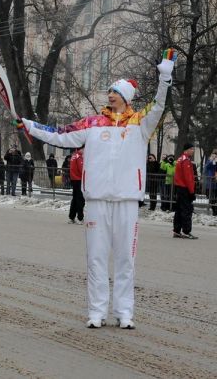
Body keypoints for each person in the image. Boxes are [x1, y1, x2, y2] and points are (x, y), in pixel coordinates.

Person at [18, 49, 176, 329]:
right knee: (96, 258)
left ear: (126, 98)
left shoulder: (140, 124)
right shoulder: (91, 124)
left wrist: (165, 78)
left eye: (115, 92)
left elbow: (159, 105)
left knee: (126, 259)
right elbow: (60, 134)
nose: (110, 95)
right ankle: (97, 311)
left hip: (127, 199)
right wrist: (31, 127)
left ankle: (124, 312)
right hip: (97, 200)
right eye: (110, 91)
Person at [173, 143, 198, 239]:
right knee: (187, 210)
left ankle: (177, 230)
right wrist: (192, 192)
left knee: (179, 210)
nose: (193, 150)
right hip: (185, 188)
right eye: (191, 149)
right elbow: (188, 178)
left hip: (179, 188)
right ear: (186, 150)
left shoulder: (180, 159)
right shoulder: (186, 161)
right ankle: (186, 231)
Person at [68, 148, 84, 224]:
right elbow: (82, 170)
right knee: (80, 199)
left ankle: (71, 217)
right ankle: (80, 218)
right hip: (79, 180)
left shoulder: (74, 155)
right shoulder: (79, 156)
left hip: (73, 179)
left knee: (74, 199)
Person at [204, 149, 217, 216]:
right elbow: (206, 167)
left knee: (215, 197)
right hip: (210, 182)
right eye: (214, 154)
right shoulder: (210, 160)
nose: (215, 155)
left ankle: (215, 210)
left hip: (215, 182)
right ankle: (214, 210)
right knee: (210, 197)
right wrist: (212, 160)